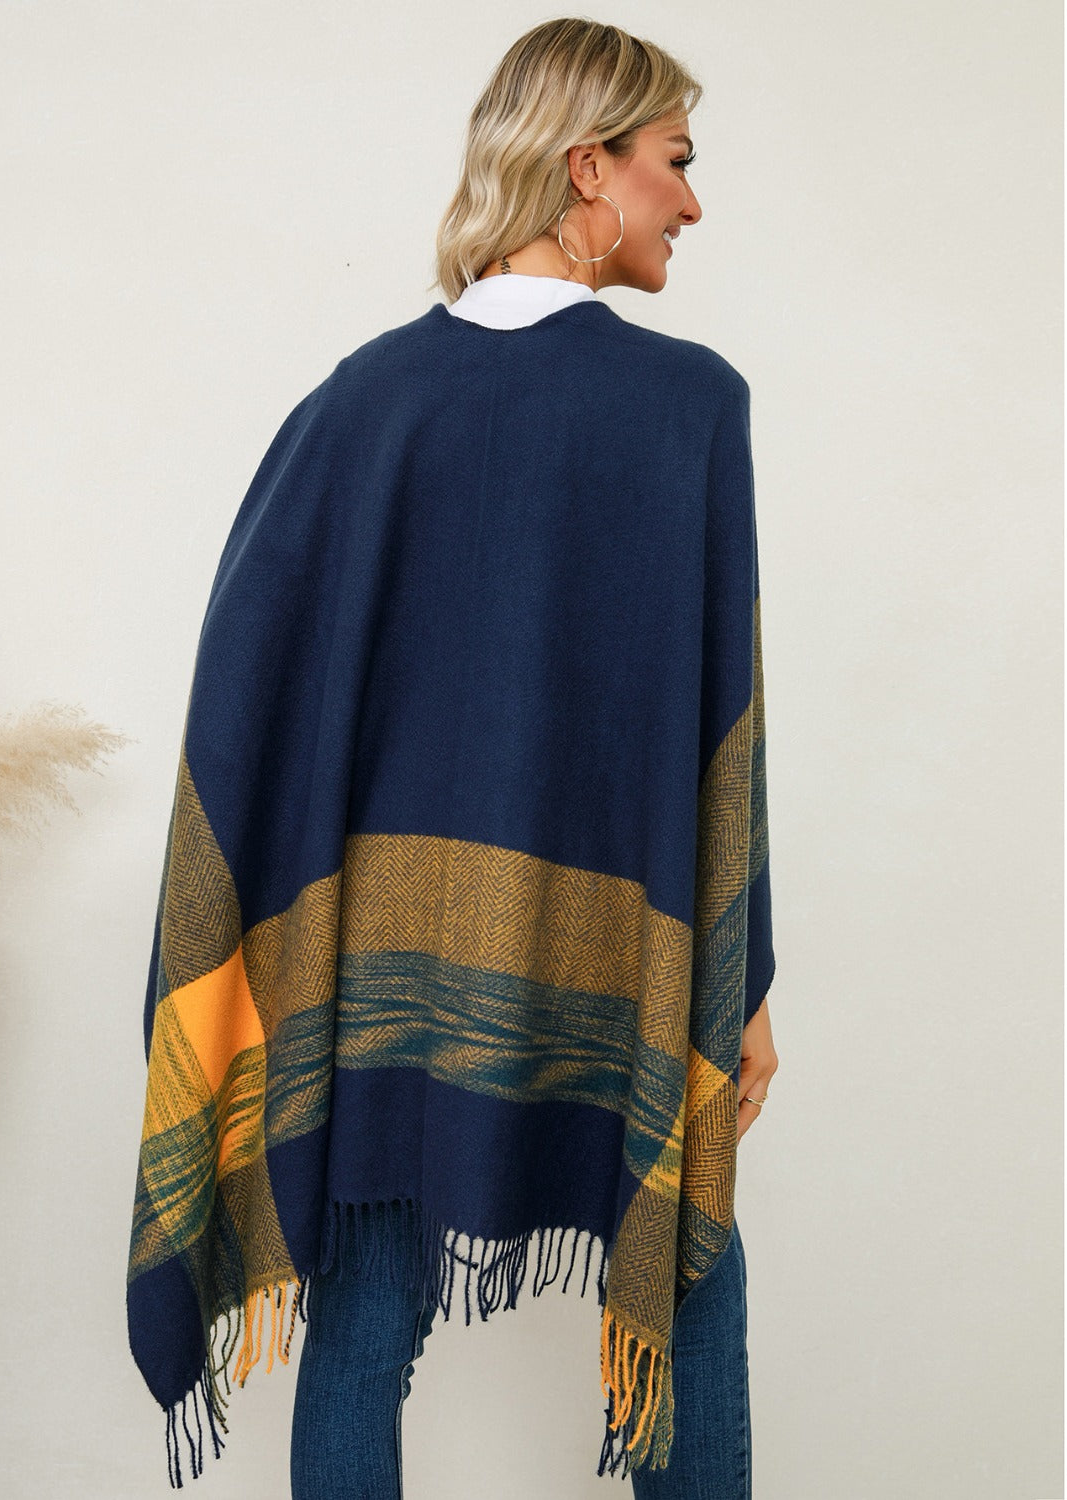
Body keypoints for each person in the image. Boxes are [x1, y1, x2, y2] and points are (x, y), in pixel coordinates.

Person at [125, 16, 779, 1500]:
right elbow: (721, 736)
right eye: (675, 161)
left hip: (386, 959)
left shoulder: (365, 399)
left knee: (367, 1316)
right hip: (618, 947)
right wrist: (737, 979)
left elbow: (249, 680)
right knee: (683, 1274)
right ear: (586, 168)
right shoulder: (691, 408)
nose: (692, 201)